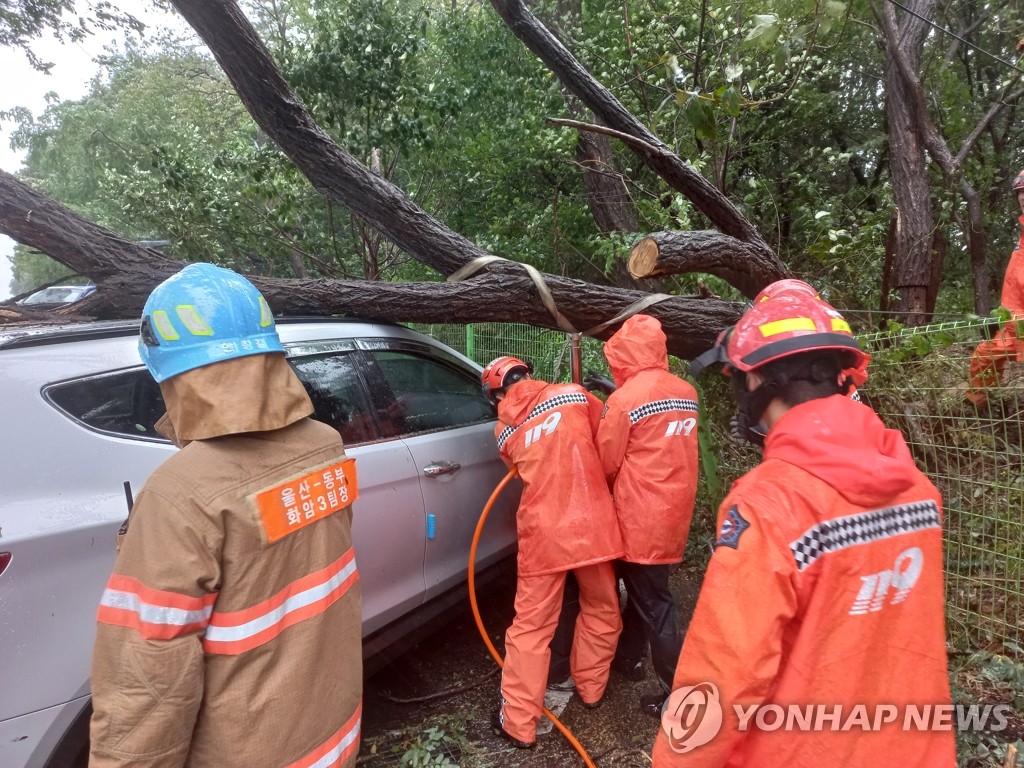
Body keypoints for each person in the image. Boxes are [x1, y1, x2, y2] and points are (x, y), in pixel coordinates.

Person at [652, 293, 955, 767]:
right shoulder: (917, 487)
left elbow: (723, 673)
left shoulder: (769, 503)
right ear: (841, 374)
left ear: (754, 379)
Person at [89, 263, 362, 768]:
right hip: (334, 735)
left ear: (167, 370)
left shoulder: (181, 495)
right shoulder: (326, 446)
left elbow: (148, 686)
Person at [482, 356, 624, 749]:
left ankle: (517, 724)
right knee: (602, 608)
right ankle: (592, 691)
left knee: (530, 628)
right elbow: (606, 438)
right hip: (592, 523)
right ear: (527, 374)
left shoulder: (502, 430)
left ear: (497, 393)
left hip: (543, 533)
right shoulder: (575, 395)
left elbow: (521, 464)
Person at [594, 314, 700, 717]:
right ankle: (628, 658)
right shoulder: (685, 390)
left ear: (623, 354)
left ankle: (675, 694)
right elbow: (657, 425)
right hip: (674, 510)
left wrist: (611, 403)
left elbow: (607, 461)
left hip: (640, 516)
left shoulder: (624, 401)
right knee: (645, 592)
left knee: (656, 604)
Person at [966, 170, 1024, 406]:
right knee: (986, 354)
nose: (1023, 198)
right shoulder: (1022, 236)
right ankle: (978, 405)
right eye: (1020, 193)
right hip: (1013, 320)